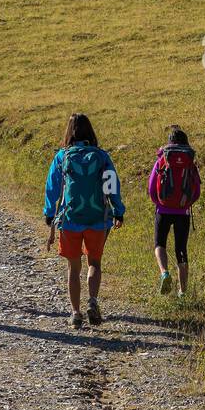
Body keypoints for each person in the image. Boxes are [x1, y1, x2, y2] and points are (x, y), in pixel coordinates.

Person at [44, 112, 125, 329]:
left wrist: (49, 213)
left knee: (73, 267)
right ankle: (93, 301)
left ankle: (76, 313)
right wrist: (118, 210)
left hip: (70, 219)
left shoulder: (63, 156)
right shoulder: (101, 156)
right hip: (98, 218)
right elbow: (111, 185)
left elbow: (52, 187)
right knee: (94, 263)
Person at [148, 125, 201, 297]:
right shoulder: (189, 162)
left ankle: (164, 272)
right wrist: (185, 205)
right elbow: (197, 191)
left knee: (159, 244)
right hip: (183, 212)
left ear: (169, 143)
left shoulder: (162, 160)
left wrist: (160, 203)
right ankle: (183, 292)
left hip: (163, 210)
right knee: (181, 249)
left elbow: (151, 189)